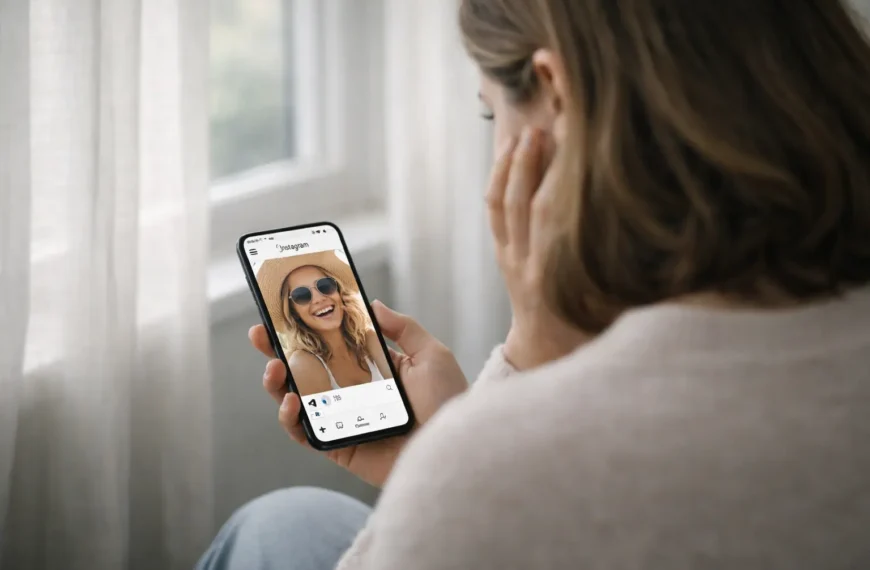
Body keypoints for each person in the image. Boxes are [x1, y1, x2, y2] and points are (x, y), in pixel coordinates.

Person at [199, 0, 870, 568]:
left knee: (271, 530)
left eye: (492, 113)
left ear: (555, 96)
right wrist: (458, 446)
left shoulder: (501, 472)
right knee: (289, 518)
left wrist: (511, 391)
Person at [256, 250, 392, 395]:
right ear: (294, 312)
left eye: (325, 286)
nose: (319, 299)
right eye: (302, 295)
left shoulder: (369, 338)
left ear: (339, 292)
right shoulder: (302, 363)